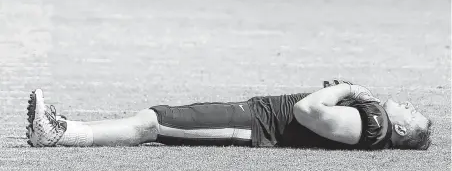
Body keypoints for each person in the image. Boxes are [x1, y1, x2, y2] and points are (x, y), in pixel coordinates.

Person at [26, 80, 431, 150]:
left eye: (415, 116)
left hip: (252, 125)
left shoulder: (373, 122)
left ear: (400, 128)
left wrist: (350, 89)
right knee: (157, 118)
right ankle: (63, 129)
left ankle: (60, 135)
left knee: (153, 122)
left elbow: (308, 112)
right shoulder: (373, 121)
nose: (411, 107)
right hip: (253, 118)